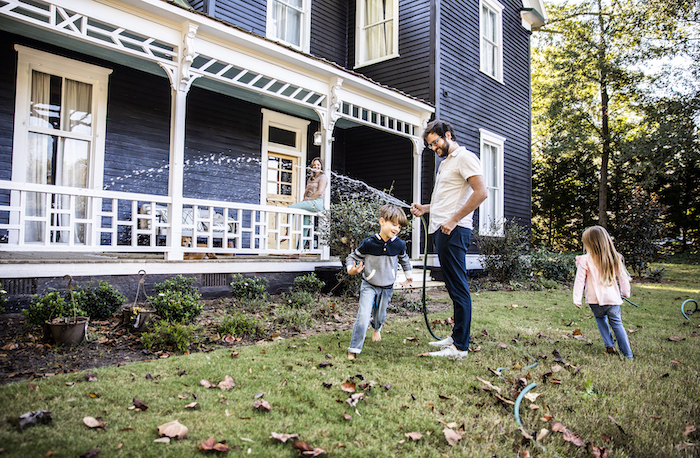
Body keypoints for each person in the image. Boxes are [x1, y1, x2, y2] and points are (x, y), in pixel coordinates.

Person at [410, 119, 487, 358]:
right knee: (453, 287)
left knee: (459, 287)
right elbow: (447, 200)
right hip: (442, 229)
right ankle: (456, 337)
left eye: (436, 143)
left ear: (448, 134)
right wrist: (425, 208)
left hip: (454, 230)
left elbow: (481, 192)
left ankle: (460, 347)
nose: (434, 148)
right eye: (431, 145)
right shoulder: (446, 164)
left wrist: (453, 220)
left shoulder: (465, 158)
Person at [346, 204, 413, 360]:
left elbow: (404, 259)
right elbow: (352, 257)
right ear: (382, 221)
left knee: (380, 316)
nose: (396, 229)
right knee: (363, 316)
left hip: (387, 286)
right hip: (369, 285)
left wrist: (408, 275)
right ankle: (354, 349)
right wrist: (351, 270)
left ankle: (376, 328)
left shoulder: (399, 245)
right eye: (394, 224)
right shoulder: (368, 243)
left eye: (399, 227)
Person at [573, 225, 633, 359]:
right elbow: (623, 278)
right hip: (612, 299)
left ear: (589, 243)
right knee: (617, 324)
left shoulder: (585, 260)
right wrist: (625, 292)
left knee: (600, 319)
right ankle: (628, 354)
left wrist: (577, 299)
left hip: (594, 300)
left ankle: (609, 344)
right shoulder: (614, 258)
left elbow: (579, 281)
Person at [289, 157, 327, 248]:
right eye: (314, 165)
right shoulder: (311, 178)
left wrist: (308, 199)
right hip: (309, 202)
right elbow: (307, 192)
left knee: (290, 208)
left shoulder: (323, 177)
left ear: (321, 166)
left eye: (318, 165)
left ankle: (288, 231)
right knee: (305, 227)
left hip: (317, 203)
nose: (316, 166)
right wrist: (304, 200)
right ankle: (298, 252)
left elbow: (319, 192)